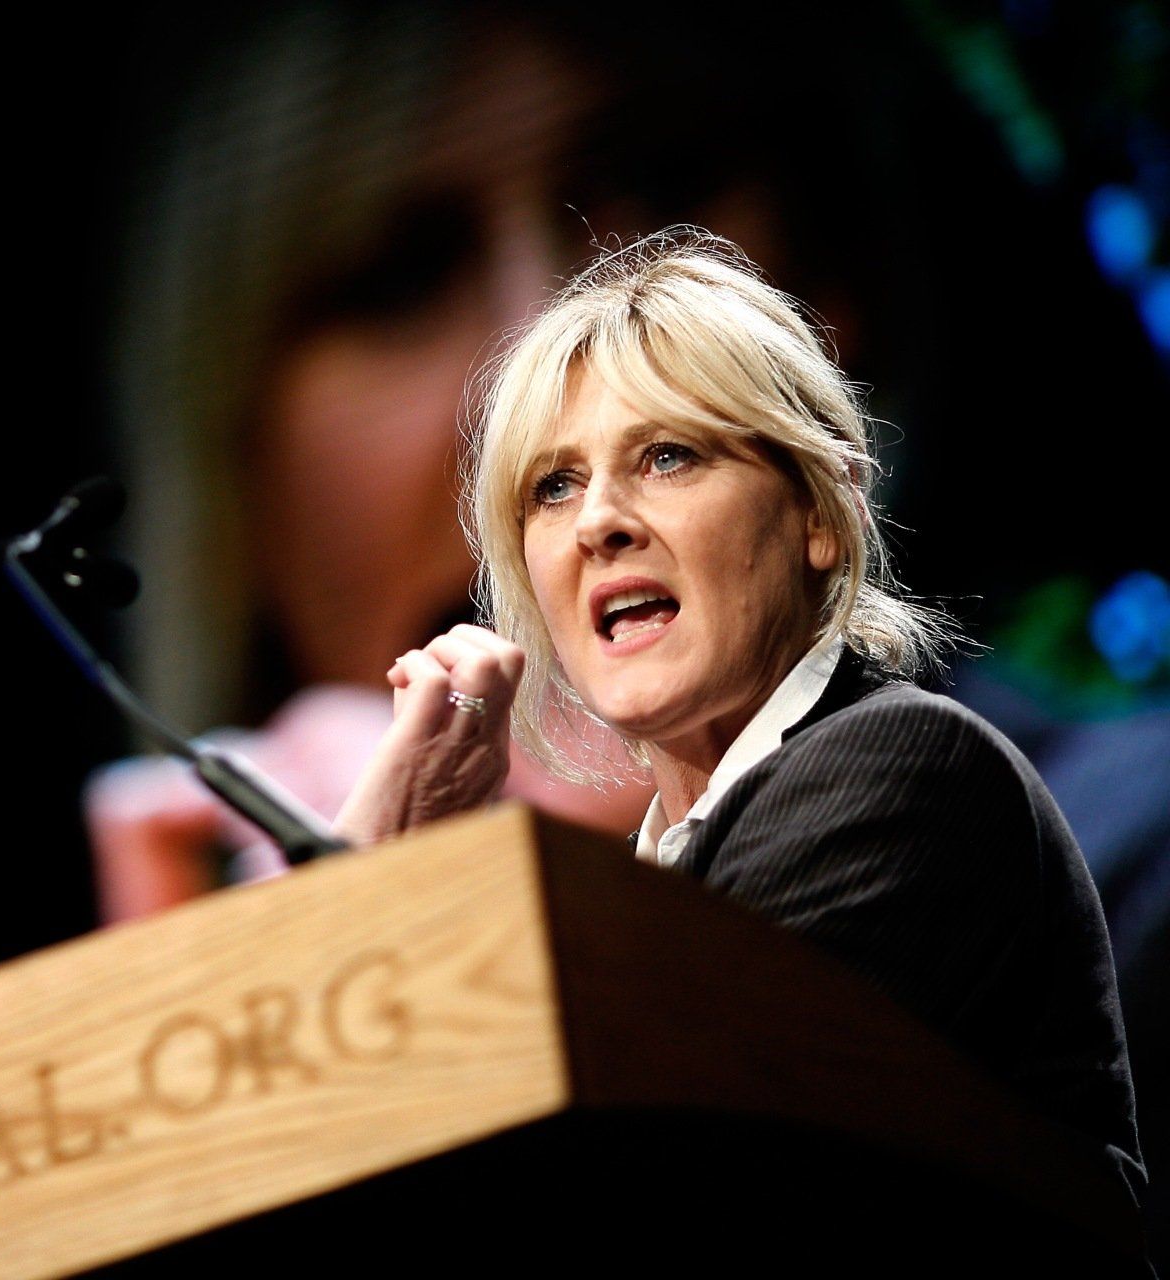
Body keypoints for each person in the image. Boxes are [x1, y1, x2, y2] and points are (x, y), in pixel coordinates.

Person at [332, 227, 1146, 1208]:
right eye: (554, 486)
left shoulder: (899, 765)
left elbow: (635, 1164)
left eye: (668, 456)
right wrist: (383, 864)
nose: (598, 522)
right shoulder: (659, 881)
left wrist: (387, 900)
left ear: (821, 512)